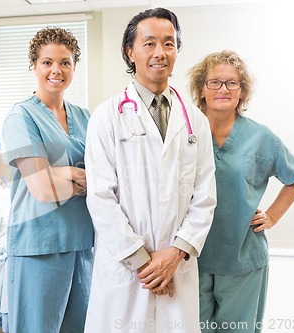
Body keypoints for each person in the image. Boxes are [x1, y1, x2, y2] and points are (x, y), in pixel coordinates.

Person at [84, 7, 217, 333]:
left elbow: (205, 194)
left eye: (169, 44)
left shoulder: (195, 120)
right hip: (127, 271)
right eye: (149, 43)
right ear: (130, 52)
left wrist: (174, 255)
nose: (160, 52)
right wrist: (145, 264)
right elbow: (100, 197)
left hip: (177, 265)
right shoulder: (106, 117)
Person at [187, 50, 294, 332]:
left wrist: (273, 216)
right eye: (214, 82)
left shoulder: (261, 137)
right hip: (192, 256)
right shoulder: (185, 132)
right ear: (202, 89)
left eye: (232, 83)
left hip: (242, 257)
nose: (223, 89)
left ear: (242, 92)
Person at [2, 27, 94, 333]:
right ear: (34, 66)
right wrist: (77, 176)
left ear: (74, 67)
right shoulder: (22, 117)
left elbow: (107, 175)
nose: (57, 70)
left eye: (65, 62)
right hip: (38, 246)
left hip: (82, 243)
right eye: (47, 62)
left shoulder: (85, 117)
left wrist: (58, 172)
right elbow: (41, 190)